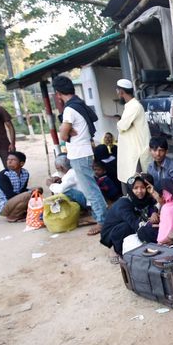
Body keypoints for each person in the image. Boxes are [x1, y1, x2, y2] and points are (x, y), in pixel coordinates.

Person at [53, 75, 108, 236]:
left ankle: (102, 221)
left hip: (78, 153)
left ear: (58, 93)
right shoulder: (80, 103)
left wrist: (67, 130)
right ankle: (101, 217)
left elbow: (62, 136)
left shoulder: (70, 109)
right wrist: (70, 130)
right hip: (86, 151)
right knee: (91, 187)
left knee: (90, 189)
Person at [100, 174, 161, 257]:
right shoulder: (124, 203)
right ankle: (119, 251)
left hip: (128, 224)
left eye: (142, 187)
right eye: (135, 188)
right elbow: (133, 223)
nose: (139, 191)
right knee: (127, 227)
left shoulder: (145, 198)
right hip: (112, 232)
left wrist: (154, 212)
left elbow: (153, 204)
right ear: (130, 189)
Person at [115, 79, 151, 184]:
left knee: (137, 183)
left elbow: (122, 126)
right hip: (132, 152)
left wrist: (119, 122)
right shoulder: (130, 106)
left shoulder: (134, 106)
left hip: (137, 154)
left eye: (118, 92)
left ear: (121, 92)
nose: (117, 95)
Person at [0, 151, 31, 222]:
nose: (9, 162)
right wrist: (27, 195)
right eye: (8, 159)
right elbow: (9, 195)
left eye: (13, 160)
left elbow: (23, 189)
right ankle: (12, 217)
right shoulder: (3, 175)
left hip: (15, 199)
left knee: (38, 189)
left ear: (21, 163)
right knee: (28, 194)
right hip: (3, 205)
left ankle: (20, 213)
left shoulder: (25, 173)